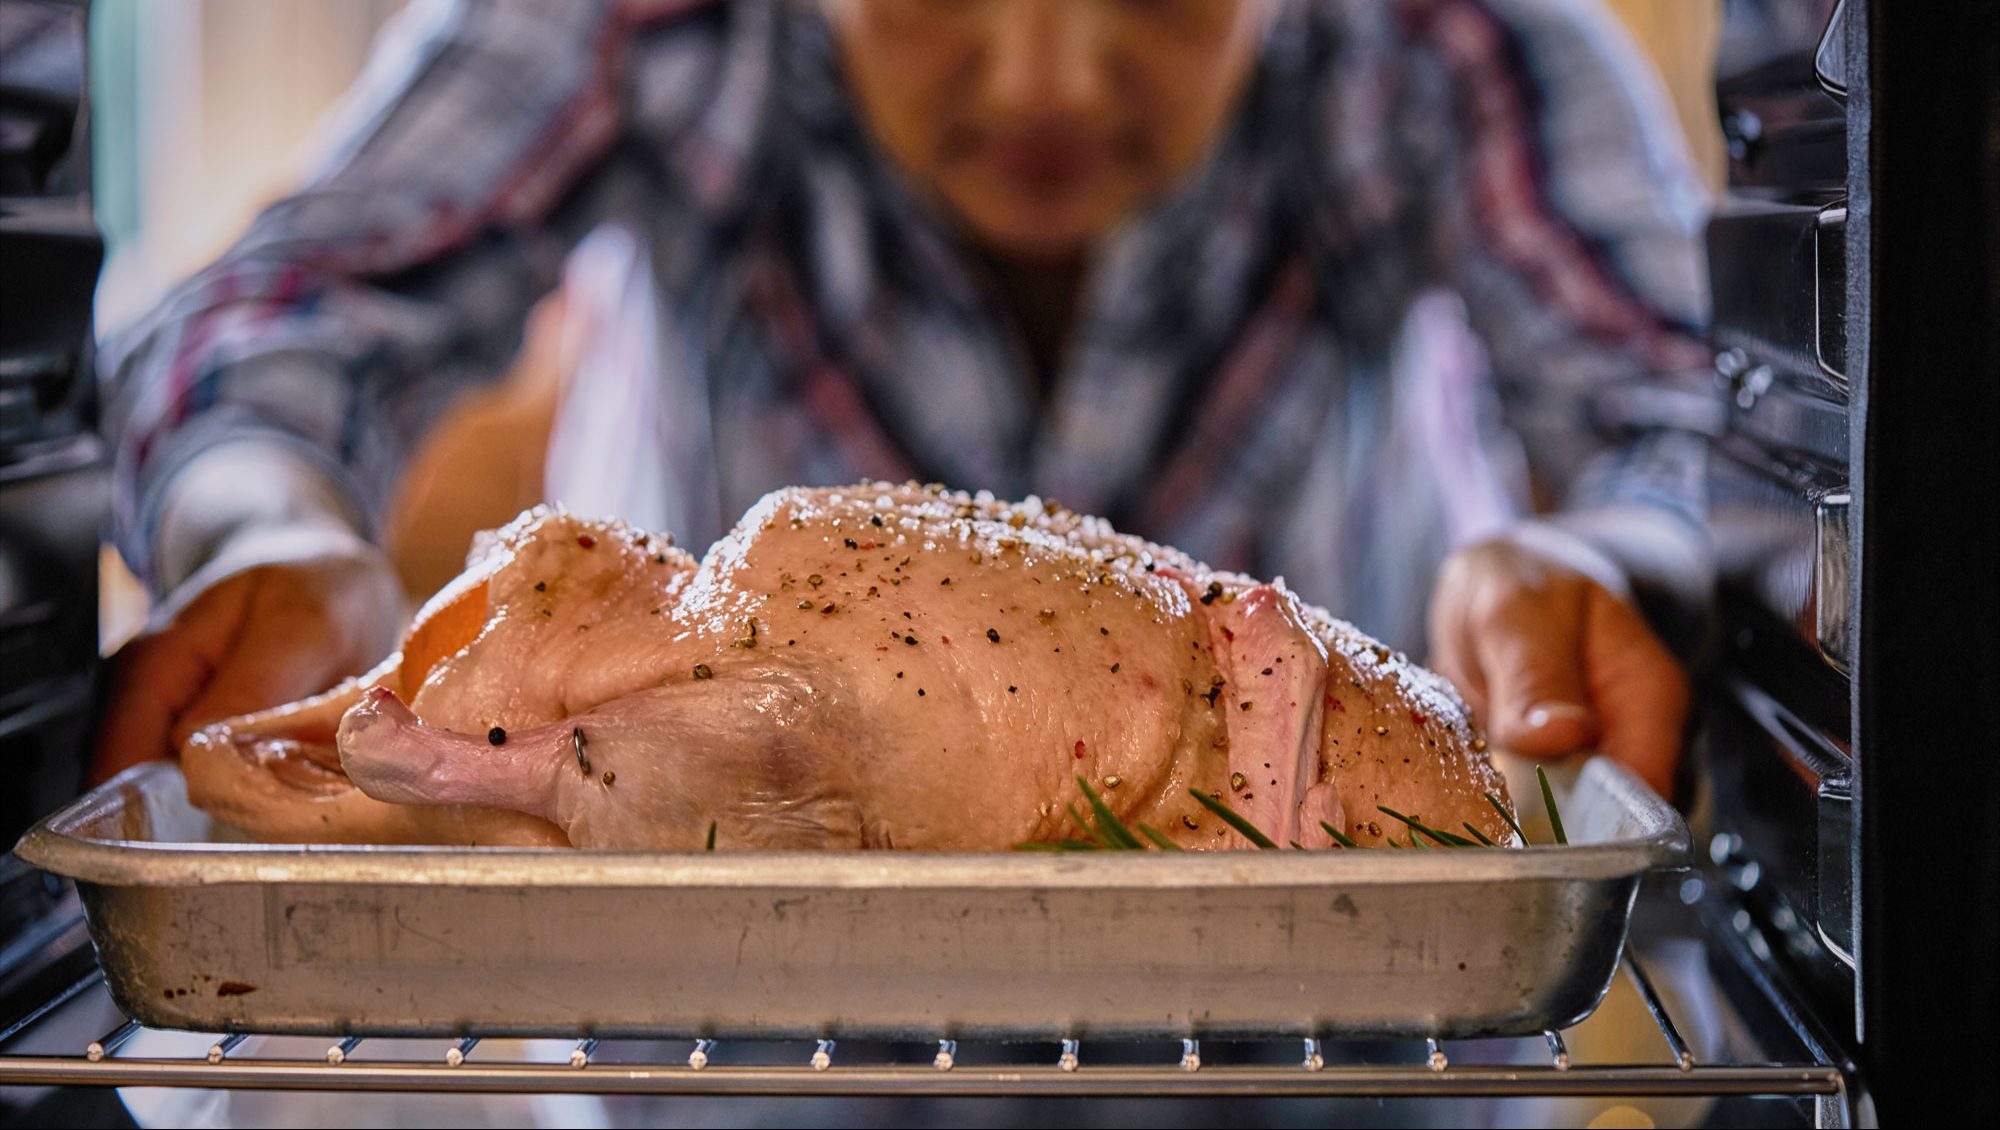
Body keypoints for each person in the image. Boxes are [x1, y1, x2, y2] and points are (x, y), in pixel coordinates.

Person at [92, 0, 1713, 798]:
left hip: (1323, 1074)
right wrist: (271, 525)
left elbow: (1706, 417)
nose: (1046, 78)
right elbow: (272, 316)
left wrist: (1617, 556)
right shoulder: (663, 26)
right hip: (728, 1068)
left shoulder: (1435, 49)